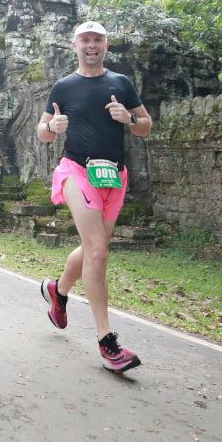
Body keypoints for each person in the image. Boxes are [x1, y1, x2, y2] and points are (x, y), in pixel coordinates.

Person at [37, 20, 152, 373]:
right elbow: (42, 132)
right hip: (77, 171)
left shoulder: (121, 83)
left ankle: (58, 290)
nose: (92, 45)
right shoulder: (64, 86)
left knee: (93, 246)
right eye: (85, 40)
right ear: (75, 45)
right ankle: (107, 342)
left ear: (105, 45)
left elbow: (146, 126)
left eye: (98, 40)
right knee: (99, 250)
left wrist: (128, 118)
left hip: (113, 175)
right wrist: (52, 128)